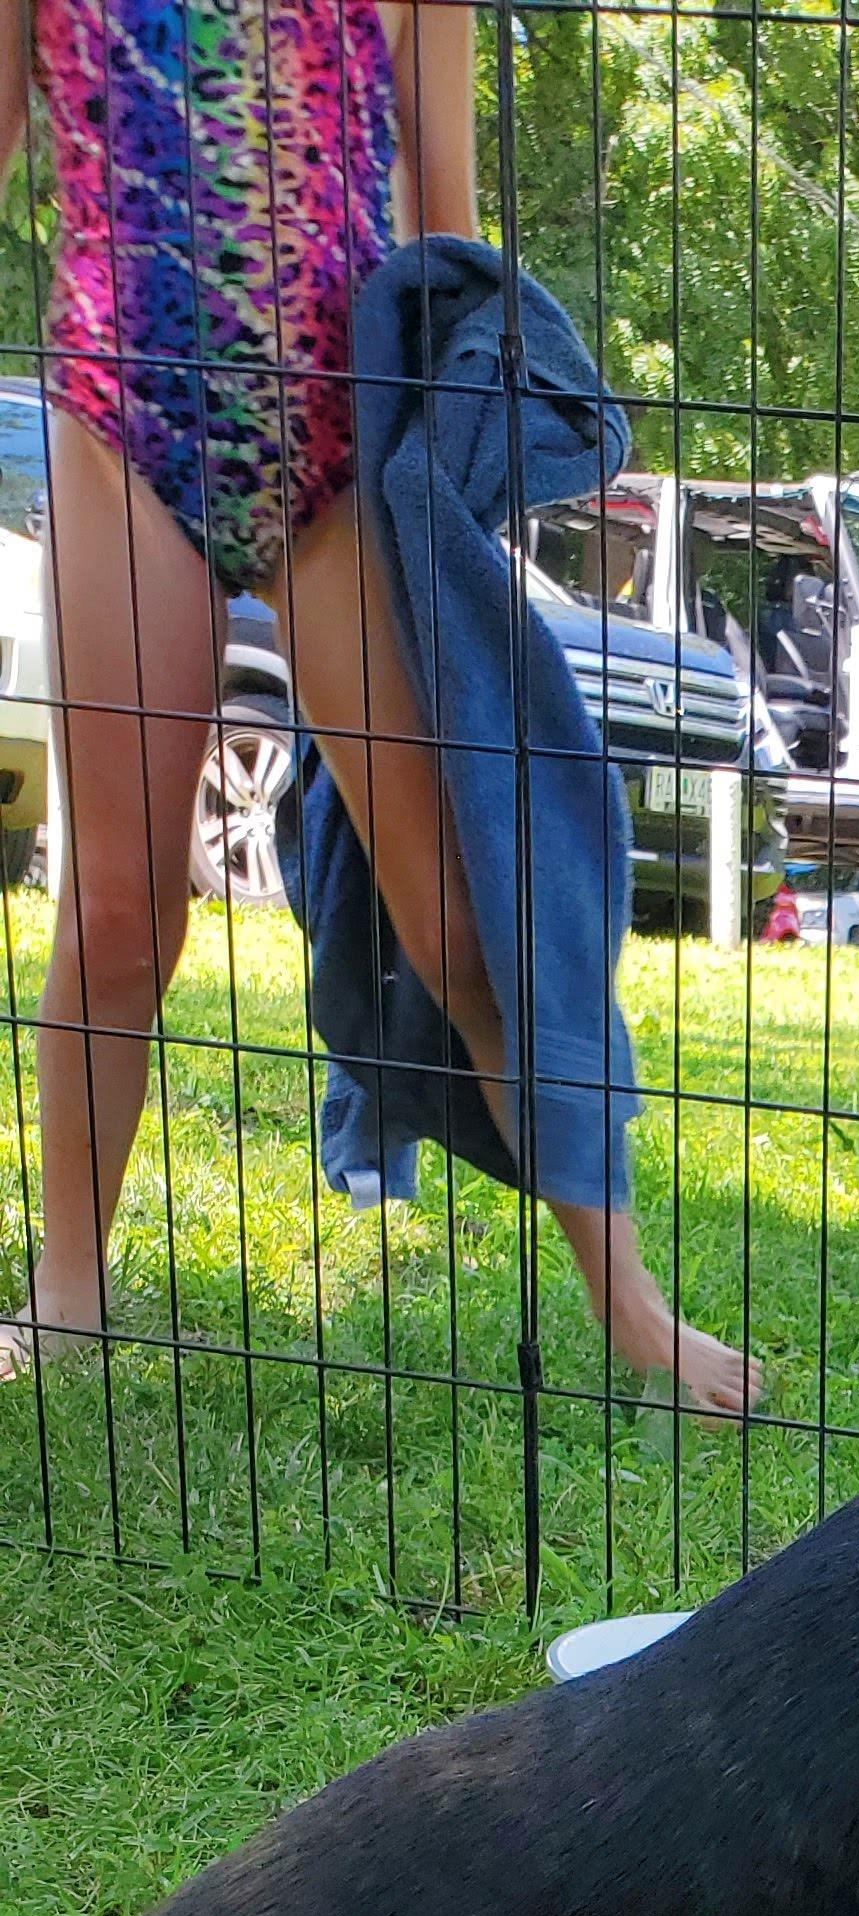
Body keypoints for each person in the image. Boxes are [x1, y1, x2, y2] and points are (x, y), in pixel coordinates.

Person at [0, 0, 755, 1408]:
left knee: (462, 922)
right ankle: (70, 1290)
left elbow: (443, 236)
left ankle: (630, 1306)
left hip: (344, 443)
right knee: (114, 920)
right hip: (123, 417)